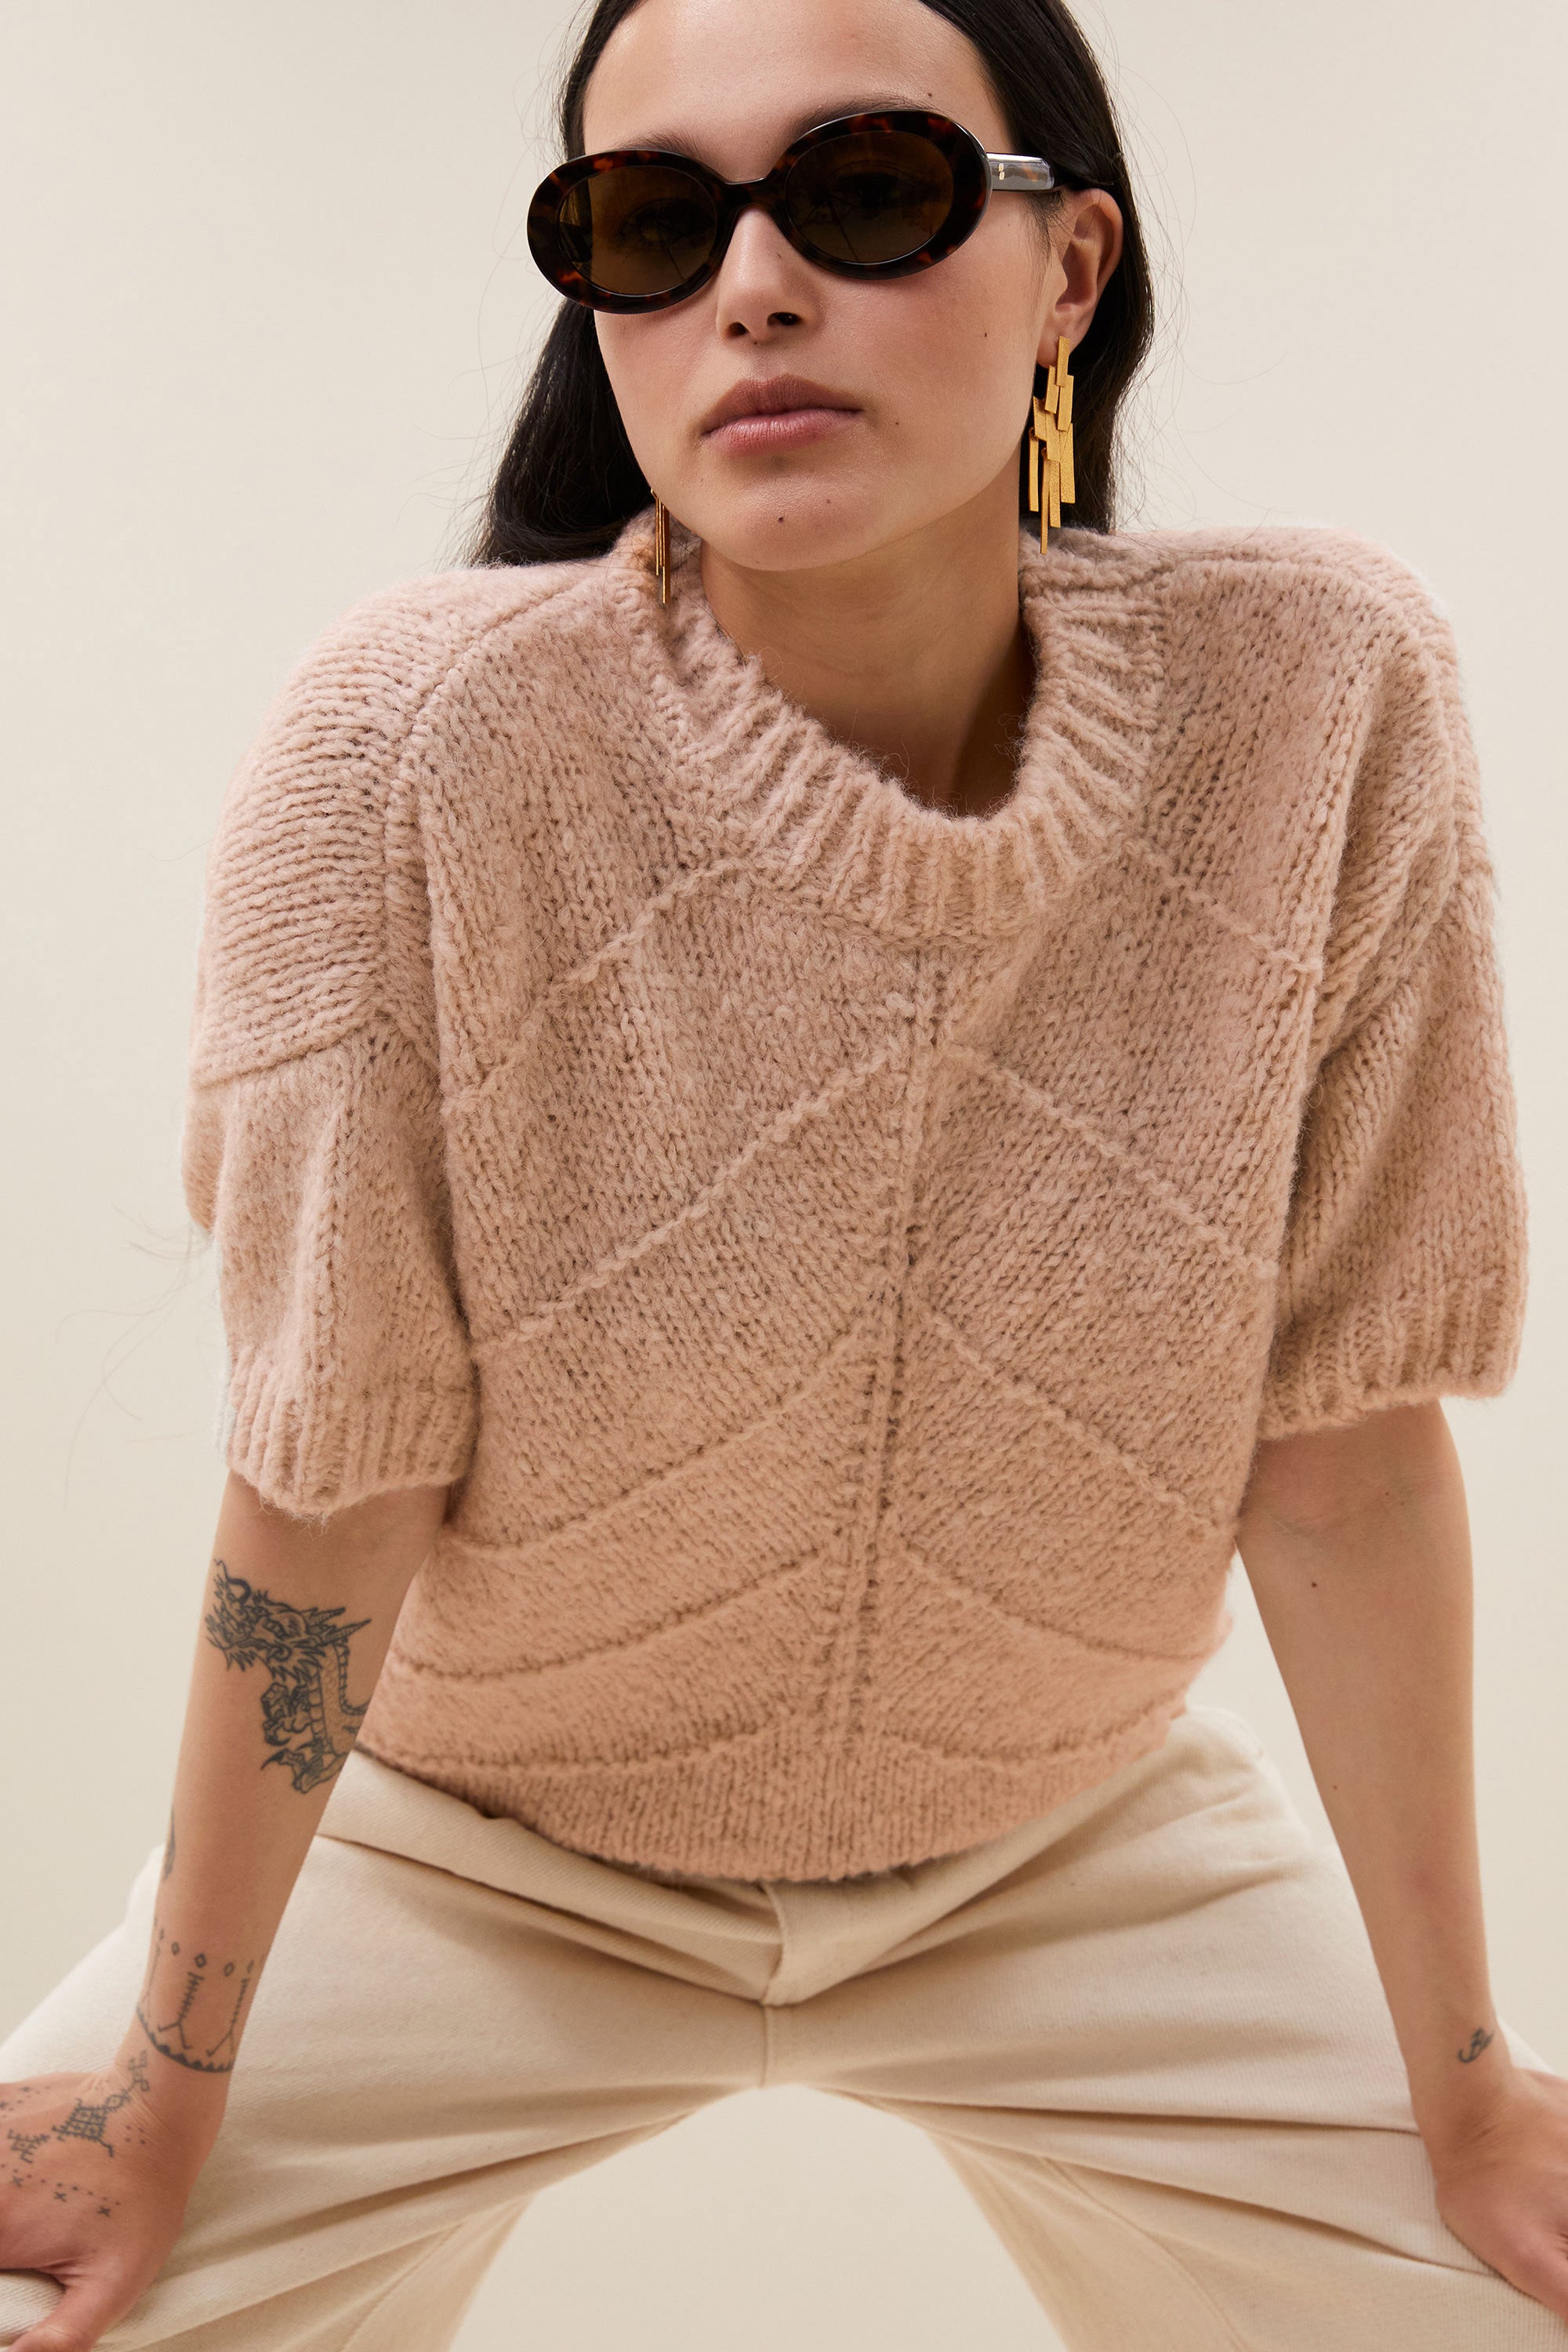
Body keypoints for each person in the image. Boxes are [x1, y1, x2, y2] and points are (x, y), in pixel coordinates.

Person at [4, 0, 1566, 2344]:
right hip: (473, 1851)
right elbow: (332, 1484)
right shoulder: (408, 749)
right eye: (651, 223)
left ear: (1070, 268)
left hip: (1067, 1842)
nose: (749, 285)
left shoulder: (1321, 698)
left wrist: (1469, 2088)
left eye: (865, 193)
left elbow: (1342, 1454)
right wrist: (158, 2090)